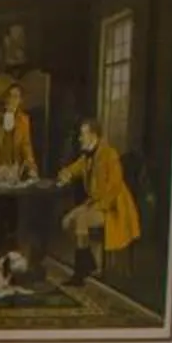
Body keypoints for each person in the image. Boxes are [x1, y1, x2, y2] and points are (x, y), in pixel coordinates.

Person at [55, 117, 141, 279]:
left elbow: (115, 186)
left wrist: (99, 206)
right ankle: (90, 261)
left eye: (83, 134)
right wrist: (65, 174)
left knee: (81, 220)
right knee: (66, 222)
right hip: (95, 203)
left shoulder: (109, 154)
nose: (80, 138)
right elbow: (73, 169)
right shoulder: (87, 156)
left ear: (93, 135)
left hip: (114, 207)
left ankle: (81, 272)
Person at [0, 84, 38, 185]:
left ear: (20, 100)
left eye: (15, 96)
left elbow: (26, 145)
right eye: (9, 95)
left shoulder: (24, 120)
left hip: (13, 167)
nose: (11, 99)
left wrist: (31, 165)